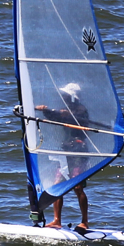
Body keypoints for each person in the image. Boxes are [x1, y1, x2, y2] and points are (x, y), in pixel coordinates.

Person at [35, 83, 90, 229]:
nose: (63, 97)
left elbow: (76, 117)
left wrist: (68, 115)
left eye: (66, 95)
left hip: (79, 151)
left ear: (72, 97)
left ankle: (85, 221)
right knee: (57, 185)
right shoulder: (65, 111)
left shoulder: (80, 109)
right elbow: (57, 116)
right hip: (66, 150)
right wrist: (45, 111)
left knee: (78, 187)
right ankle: (57, 220)